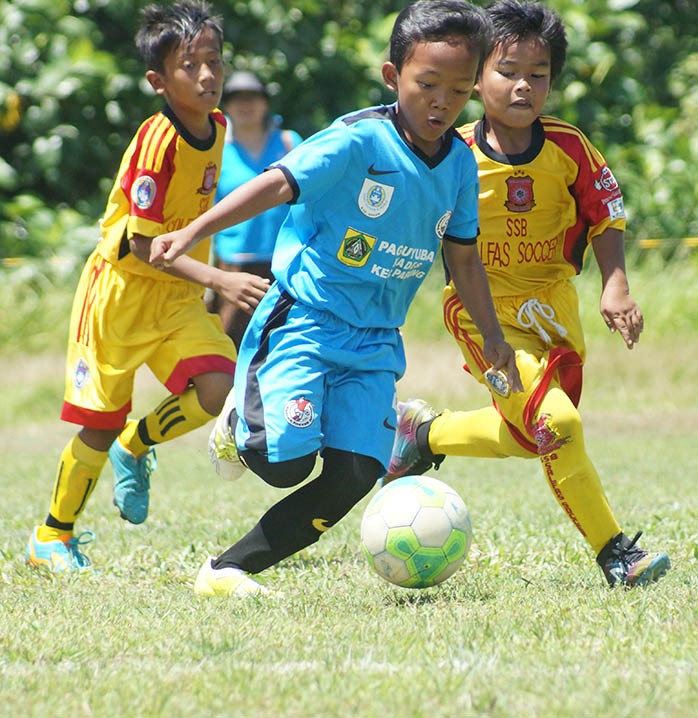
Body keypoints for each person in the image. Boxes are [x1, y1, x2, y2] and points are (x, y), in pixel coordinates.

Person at [149, 0, 521, 597]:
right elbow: (275, 183)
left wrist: (494, 337)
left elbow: (464, 257)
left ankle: (227, 571)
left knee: (356, 472)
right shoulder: (357, 140)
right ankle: (242, 421)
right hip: (304, 321)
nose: (441, 102)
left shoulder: (457, 163)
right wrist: (194, 233)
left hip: (376, 341)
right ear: (392, 75)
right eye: (428, 84)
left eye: (457, 90)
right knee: (283, 464)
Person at [383, 0, 669, 589]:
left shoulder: (570, 147)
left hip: (554, 308)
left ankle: (424, 433)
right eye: (507, 71)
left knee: (526, 435)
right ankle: (616, 553)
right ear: (477, 78)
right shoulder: (451, 152)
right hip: (481, 309)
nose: (522, 86)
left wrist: (615, 283)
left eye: (537, 75)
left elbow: (605, 213)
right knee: (556, 424)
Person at [25, 0, 270, 572]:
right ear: (159, 81)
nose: (208, 75)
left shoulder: (219, 128)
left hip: (175, 296)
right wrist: (219, 278)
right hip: (119, 295)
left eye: (214, 60)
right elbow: (143, 245)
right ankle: (51, 536)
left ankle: (138, 444)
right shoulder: (157, 141)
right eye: (191, 66)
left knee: (216, 387)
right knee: (98, 424)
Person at [209, 70, 302, 347]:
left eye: (253, 97)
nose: (245, 105)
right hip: (233, 263)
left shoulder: (288, 143)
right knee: (227, 344)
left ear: (266, 103)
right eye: (237, 99)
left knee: (281, 342)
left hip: (284, 261)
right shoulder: (215, 147)